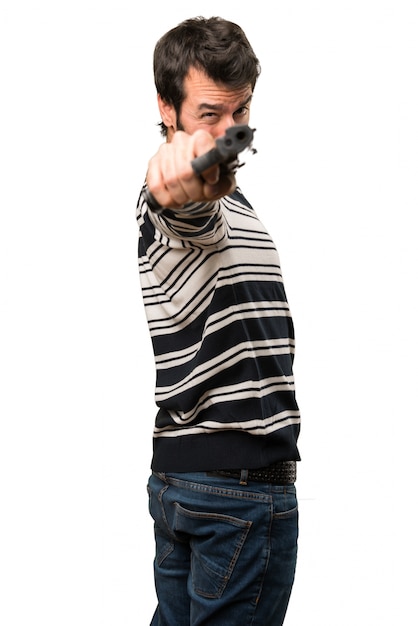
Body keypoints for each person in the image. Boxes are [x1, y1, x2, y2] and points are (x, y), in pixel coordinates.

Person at [136, 16, 301, 626]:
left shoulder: (236, 205)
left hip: (188, 486)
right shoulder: (180, 203)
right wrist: (177, 178)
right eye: (210, 114)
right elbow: (181, 196)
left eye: (242, 112)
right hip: (238, 490)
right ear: (167, 107)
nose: (231, 132)